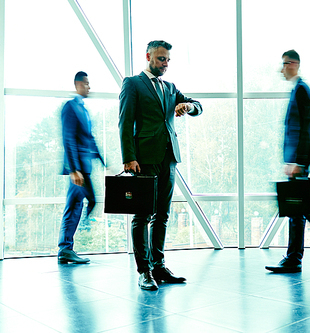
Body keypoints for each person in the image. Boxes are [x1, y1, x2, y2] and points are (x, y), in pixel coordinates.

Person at [119, 40, 203, 290]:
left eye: (167, 60)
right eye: (160, 59)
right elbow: (125, 122)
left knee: (163, 215)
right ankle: (143, 271)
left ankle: (158, 266)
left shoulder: (170, 87)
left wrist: (188, 106)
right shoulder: (133, 83)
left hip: (169, 159)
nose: (165, 64)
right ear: (148, 56)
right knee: (142, 215)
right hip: (143, 159)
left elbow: (198, 106)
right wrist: (128, 157)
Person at [265, 50, 310, 273]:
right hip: (297, 159)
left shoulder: (302, 90)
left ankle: (295, 258)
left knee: (297, 208)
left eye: (285, 64)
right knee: (298, 208)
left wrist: (296, 161)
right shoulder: (298, 90)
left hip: (299, 160)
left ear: (294, 64)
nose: (282, 69)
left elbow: (304, 128)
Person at [59, 71, 104, 264]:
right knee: (83, 203)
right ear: (77, 85)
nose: (89, 87)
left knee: (80, 203)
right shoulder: (71, 107)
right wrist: (73, 169)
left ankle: (66, 248)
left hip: (84, 168)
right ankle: (65, 248)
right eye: (86, 83)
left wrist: (104, 163)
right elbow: (68, 139)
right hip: (78, 170)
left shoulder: (83, 108)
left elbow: (89, 138)